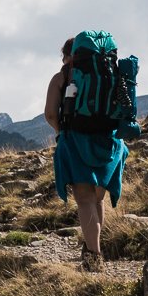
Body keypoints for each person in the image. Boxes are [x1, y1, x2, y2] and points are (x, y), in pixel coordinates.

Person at [45, 36, 130, 271]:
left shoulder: (62, 77)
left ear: (68, 55)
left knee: (84, 200)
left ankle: (94, 257)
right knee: (98, 199)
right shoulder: (111, 72)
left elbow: (51, 114)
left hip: (76, 142)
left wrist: (61, 131)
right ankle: (94, 249)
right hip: (110, 143)